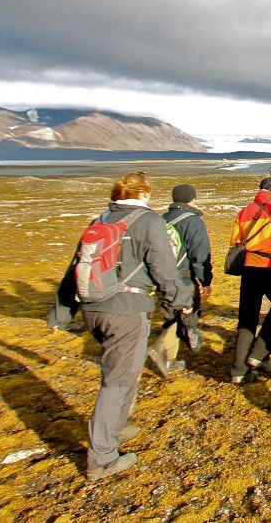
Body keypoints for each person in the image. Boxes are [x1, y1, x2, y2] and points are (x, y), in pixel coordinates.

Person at [49, 171, 192, 482]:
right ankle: (101, 457)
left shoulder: (100, 220)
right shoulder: (148, 221)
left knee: (122, 371)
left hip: (93, 309)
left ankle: (114, 427)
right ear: (144, 194)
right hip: (126, 311)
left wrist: (60, 314)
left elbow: (74, 269)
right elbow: (164, 269)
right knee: (115, 381)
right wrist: (181, 300)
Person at [229, 176, 271, 383]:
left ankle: (239, 370)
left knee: (247, 316)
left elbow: (235, 240)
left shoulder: (244, 211)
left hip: (249, 268)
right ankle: (259, 352)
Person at [146, 183, 212, 378]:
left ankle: (169, 360)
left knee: (170, 316)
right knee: (186, 314)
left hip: (162, 276)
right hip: (183, 277)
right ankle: (161, 348)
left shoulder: (162, 219)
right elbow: (200, 254)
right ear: (192, 198)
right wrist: (205, 279)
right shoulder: (193, 222)